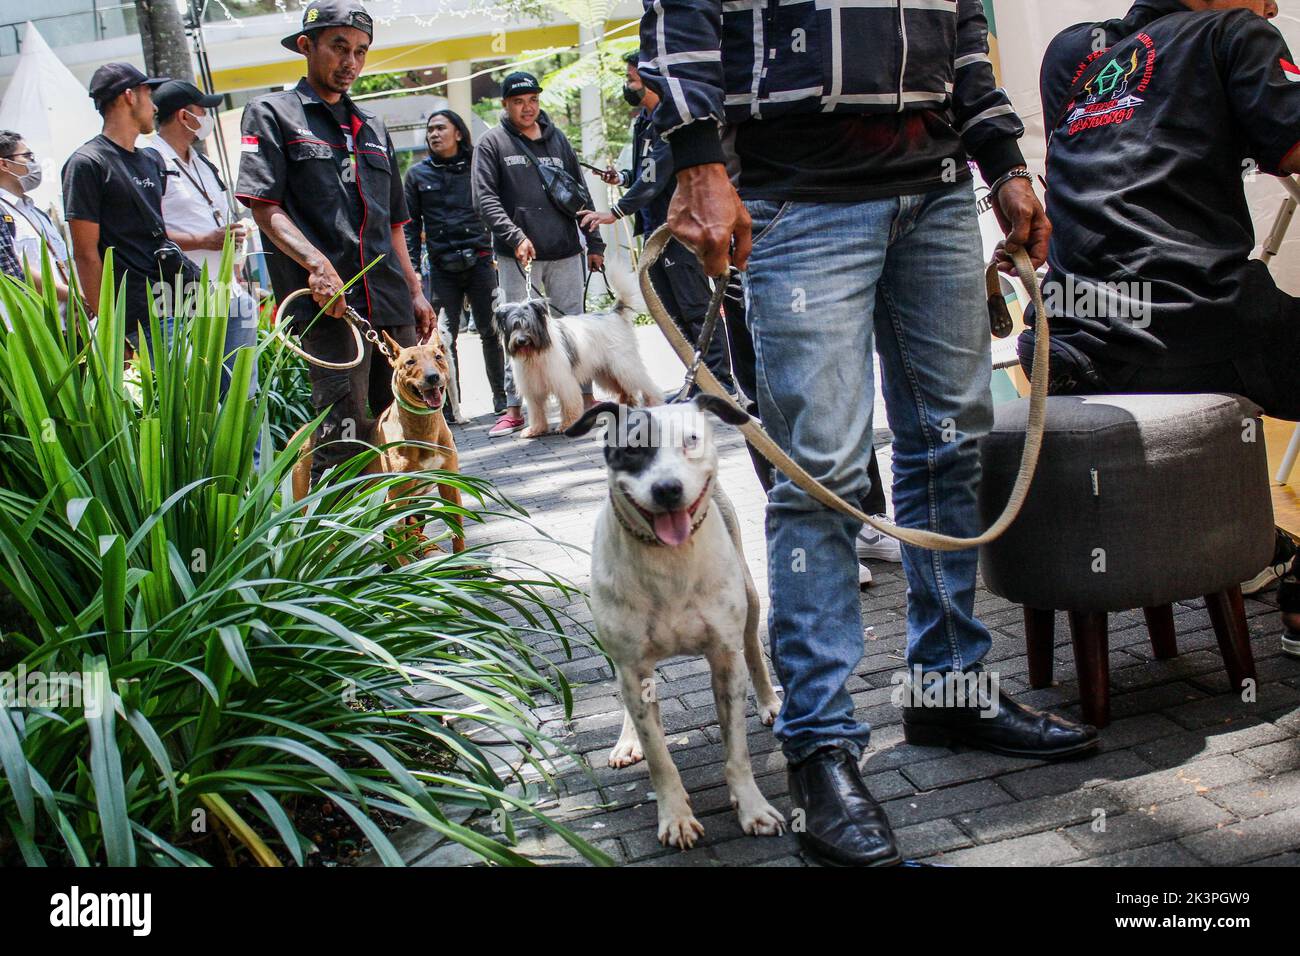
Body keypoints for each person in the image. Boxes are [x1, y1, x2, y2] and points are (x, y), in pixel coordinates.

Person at [638, 0, 1099, 867]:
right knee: (821, 474)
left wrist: (1001, 159)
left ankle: (949, 688)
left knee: (953, 440)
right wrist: (698, 156)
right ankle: (819, 745)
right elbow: (682, 16)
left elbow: (964, 31)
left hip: (934, 195)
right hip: (796, 196)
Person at [1029, 0, 1298, 652]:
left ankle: (1248, 538)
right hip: (1191, 328)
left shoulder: (1073, 52)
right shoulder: (1236, 35)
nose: (1273, 5)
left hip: (1072, 342)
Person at [236, 0, 434, 486]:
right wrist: (317, 265)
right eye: (339, 47)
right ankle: (345, 549)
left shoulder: (373, 126)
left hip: (388, 300)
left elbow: (393, 222)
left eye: (361, 52)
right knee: (343, 433)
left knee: (410, 432)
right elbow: (264, 206)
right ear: (307, 46)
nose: (351, 62)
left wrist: (413, 288)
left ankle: (410, 546)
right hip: (327, 305)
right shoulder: (271, 115)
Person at [580, 51, 736, 396]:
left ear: (651, 79)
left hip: (679, 229)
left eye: (632, 78)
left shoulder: (671, 120)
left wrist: (616, 211)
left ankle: (722, 383)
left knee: (695, 308)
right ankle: (699, 381)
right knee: (672, 313)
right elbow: (641, 173)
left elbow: (656, 176)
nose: (628, 85)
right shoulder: (642, 122)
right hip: (653, 233)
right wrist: (620, 177)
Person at [472, 70, 606, 437]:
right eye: (518, 102)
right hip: (520, 256)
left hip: (565, 251)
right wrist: (514, 236)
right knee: (515, 329)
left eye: (532, 100)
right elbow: (484, 199)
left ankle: (583, 400)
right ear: (505, 104)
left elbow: (578, 194)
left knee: (575, 329)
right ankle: (516, 408)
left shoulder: (558, 140)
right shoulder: (492, 144)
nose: (527, 108)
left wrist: (594, 244)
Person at [150, 80, 256, 400]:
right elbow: (146, 232)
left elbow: (218, 214)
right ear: (184, 116)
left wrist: (233, 245)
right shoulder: (151, 161)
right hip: (179, 290)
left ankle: (249, 451)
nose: (207, 117)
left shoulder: (202, 162)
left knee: (241, 391)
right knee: (198, 393)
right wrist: (202, 240)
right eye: (202, 111)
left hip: (227, 285)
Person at [405, 109, 507, 421]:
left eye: (441, 128)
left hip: (480, 263)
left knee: (492, 332)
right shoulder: (417, 175)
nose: (434, 134)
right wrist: (414, 272)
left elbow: (498, 205)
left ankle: (502, 401)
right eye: (430, 129)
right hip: (441, 268)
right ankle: (449, 409)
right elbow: (409, 227)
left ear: (458, 133)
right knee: (442, 339)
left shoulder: (479, 166)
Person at [61, 62, 170, 345]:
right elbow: (85, 254)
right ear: (129, 96)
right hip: (132, 316)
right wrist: (110, 330)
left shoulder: (151, 160)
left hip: (174, 302)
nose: (155, 107)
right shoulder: (87, 163)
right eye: (149, 95)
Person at [0, 130, 71, 305]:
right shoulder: (3, 212)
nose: (34, 164)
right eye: (27, 156)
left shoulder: (37, 213)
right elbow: (13, 269)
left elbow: (62, 262)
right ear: (4, 164)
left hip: (67, 323)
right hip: (33, 324)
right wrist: (71, 296)